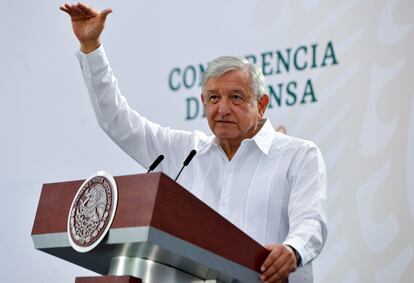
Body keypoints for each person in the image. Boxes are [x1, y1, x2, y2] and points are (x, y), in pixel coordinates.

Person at [60, 3, 328, 283]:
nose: (222, 109)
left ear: (261, 105)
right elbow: (116, 121)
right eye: (213, 98)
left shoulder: (298, 155)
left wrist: (293, 250)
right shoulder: (186, 152)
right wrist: (91, 47)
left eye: (236, 97)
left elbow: (311, 222)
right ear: (203, 102)